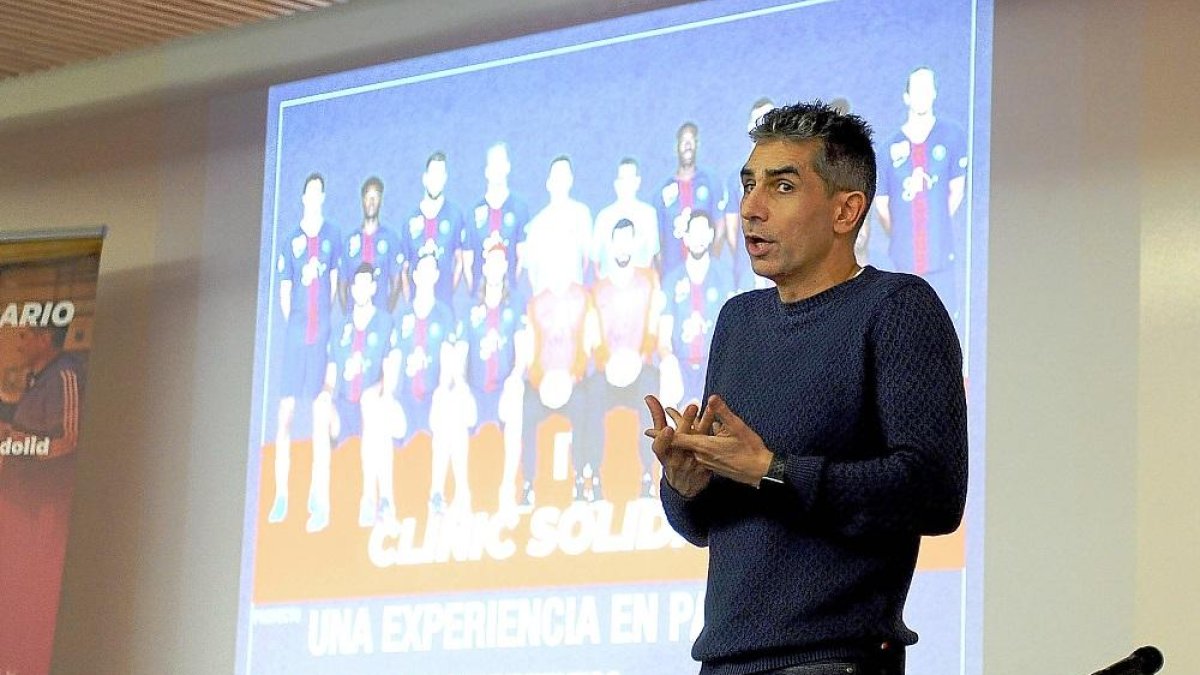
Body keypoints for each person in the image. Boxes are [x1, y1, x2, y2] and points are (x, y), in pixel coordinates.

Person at [645, 101, 967, 675]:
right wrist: (686, 485)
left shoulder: (897, 307)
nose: (750, 209)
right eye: (748, 185)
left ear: (846, 210)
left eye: (782, 186)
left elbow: (933, 493)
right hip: (723, 661)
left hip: (835, 659)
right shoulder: (738, 321)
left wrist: (772, 469)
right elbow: (708, 524)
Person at [0, 324, 85, 675]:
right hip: (20, 507)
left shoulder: (65, 375)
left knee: (33, 597)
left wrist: (18, 442)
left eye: (24, 336)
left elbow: (69, 439)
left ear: (46, 338)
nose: (16, 343)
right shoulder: (38, 379)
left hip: (44, 511)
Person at [270, 172, 341, 528]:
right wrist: (298, 326)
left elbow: (331, 288)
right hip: (296, 340)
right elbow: (285, 295)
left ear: (323, 197)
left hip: (320, 340)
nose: (314, 197)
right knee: (284, 416)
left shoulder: (332, 237)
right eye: (309, 191)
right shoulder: (290, 241)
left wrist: (320, 330)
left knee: (318, 417)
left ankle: (319, 498)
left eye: (319, 192)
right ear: (302, 197)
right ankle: (282, 495)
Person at [874, 67, 968, 328]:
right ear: (907, 97)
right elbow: (882, 206)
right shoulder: (888, 148)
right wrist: (903, 234)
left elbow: (956, 191)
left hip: (941, 258)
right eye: (917, 90)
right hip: (902, 262)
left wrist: (934, 225)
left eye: (927, 89)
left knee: (946, 327)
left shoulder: (952, 135)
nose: (922, 95)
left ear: (935, 93)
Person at [577, 218, 663, 501]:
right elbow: (592, 336)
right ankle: (591, 477)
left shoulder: (649, 281)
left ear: (635, 244)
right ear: (611, 245)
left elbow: (652, 327)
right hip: (608, 368)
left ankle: (649, 477)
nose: (624, 246)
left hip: (639, 365)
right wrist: (608, 362)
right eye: (619, 239)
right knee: (590, 398)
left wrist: (637, 358)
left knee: (651, 400)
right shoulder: (597, 289)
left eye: (629, 239)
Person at [316, 263, 402, 529]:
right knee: (319, 408)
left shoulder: (386, 322)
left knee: (370, 405)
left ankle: (370, 498)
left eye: (367, 283)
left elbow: (391, 367)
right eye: (358, 284)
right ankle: (320, 505)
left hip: (373, 402)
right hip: (345, 406)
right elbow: (331, 375)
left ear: (374, 288)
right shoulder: (341, 328)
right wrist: (326, 395)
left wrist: (379, 391)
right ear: (352, 290)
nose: (362, 289)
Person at [655, 122, 721, 279]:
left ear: (698, 145)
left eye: (692, 140)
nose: (688, 145)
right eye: (683, 141)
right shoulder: (663, 191)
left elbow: (720, 228)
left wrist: (712, 265)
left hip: (705, 276)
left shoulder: (710, 182)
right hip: (672, 274)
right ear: (676, 147)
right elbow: (658, 241)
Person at [340, 176, 404, 312]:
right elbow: (342, 285)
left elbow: (397, 282)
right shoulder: (350, 241)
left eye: (376, 197)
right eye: (368, 197)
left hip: (380, 321)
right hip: (354, 322)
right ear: (362, 200)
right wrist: (348, 315)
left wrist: (386, 313)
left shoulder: (391, 239)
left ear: (381, 201)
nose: (371, 202)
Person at [591, 157, 659, 280]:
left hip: (640, 289)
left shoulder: (649, 215)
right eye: (622, 179)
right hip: (610, 293)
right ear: (616, 183)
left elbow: (652, 258)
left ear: (638, 182)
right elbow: (595, 262)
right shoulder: (603, 217)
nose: (626, 184)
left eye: (630, 179)